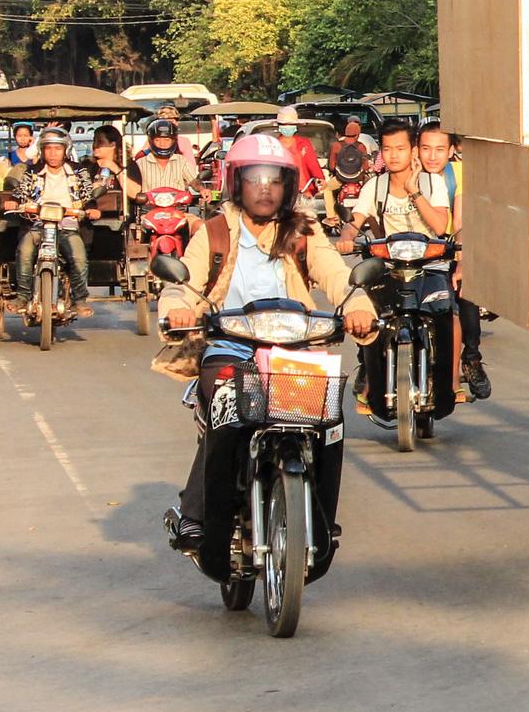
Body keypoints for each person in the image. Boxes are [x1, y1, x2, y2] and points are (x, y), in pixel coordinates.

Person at [160, 133, 377, 574]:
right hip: (229, 348)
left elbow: (337, 275)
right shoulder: (215, 232)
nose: (264, 188)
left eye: (274, 180)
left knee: (331, 421)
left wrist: (356, 307)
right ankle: (202, 519)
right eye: (254, 179)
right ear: (235, 183)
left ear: (289, 186)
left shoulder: (304, 232)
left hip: (295, 350)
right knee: (224, 415)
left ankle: (320, 524)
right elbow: (182, 284)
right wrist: (178, 309)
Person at [342, 118, 456, 422]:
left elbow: (440, 226)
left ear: (413, 151)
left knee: (446, 318)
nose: (394, 155)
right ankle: (368, 372)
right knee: (366, 317)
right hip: (388, 270)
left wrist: (413, 192)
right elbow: (355, 220)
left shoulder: (433, 183)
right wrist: (345, 236)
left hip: (430, 267)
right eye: (388, 149)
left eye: (401, 148)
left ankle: (447, 385)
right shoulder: (373, 186)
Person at [417, 122, 489, 398]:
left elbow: (460, 222)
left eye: (439, 149)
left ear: (451, 151)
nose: (432, 157)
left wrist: (461, 260)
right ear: (417, 150)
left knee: (465, 292)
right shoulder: (407, 175)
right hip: (413, 255)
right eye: (426, 149)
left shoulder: (459, 173)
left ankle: (471, 358)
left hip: (450, 248)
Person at [1, 126, 102, 320]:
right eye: (48, 148)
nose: (53, 153)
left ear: (65, 150)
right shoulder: (33, 171)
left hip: (68, 225)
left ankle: (80, 299)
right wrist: (15, 200)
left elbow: (88, 195)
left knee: (79, 257)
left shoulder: (78, 171)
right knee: (24, 251)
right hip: (39, 224)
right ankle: (22, 295)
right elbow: (21, 192)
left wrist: (91, 207)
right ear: (42, 150)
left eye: (57, 148)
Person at [122, 117, 203, 200]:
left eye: (167, 140)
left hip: (177, 208)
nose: (162, 144)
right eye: (158, 140)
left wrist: (202, 189)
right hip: (148, 209)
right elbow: (133, 190)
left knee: (191, 214)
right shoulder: (140, 163)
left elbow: (193, 181)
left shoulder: (181, 161)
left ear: (173, 141)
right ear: (151, 141)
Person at [273, 105, 328, 196]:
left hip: (303, 191)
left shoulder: (304, 143)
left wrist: (320, 178)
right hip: (281, 192)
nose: (288, 127)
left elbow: (312, 163)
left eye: (291, 124)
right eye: (284, 124)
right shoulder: (273, 145)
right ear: (279, 126)